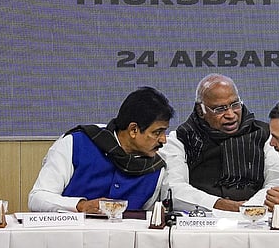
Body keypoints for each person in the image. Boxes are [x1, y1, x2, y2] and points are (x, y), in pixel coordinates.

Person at [28, 86, 174, 213]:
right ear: (133, 130)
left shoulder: (156, 169)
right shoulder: (75, 144)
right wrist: (80, 206)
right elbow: (37, 198)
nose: (163, 140)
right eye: (157, 132)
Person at [160, 74, 279, 211]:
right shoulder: (181, 138)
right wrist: (220, 205)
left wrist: (249, 208)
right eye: (220, 109)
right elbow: (173, 189)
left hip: (257, 218)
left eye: (235, 105)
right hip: (201, 221)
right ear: (201, 111)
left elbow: (277, 182)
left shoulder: (266, 135)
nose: (230, 114)